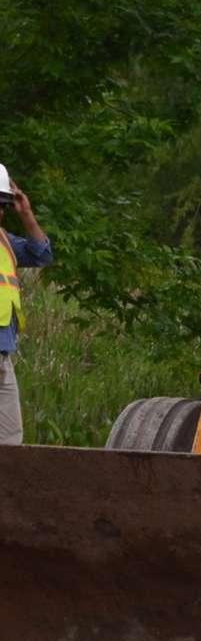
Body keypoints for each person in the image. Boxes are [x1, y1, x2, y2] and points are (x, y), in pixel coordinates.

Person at [0, 163, 54, 445]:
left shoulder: (4, 241)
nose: (0, 211)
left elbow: (41, 254)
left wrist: (26, 214)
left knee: (10, 441)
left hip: (3, 353)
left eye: (3, 205)